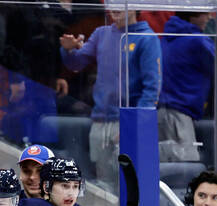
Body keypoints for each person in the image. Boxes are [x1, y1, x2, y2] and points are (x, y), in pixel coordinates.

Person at [59, 3, 161, 186]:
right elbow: (76, 63)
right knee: (104, 182)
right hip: (100, 121)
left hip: (127, 122)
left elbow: (152, 89)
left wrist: (132, 126)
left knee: (129, 183)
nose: (115, 6)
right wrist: (68, 50)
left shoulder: (146, 38)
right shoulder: (101, 34)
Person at [158, 8, 215, 162]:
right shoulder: (197, 41)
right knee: (185, 169)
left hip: (163, 113)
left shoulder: (168, 37)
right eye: (205, 13)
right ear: (192, 15)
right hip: (178, 115)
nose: (210, 17)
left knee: (165, 167)